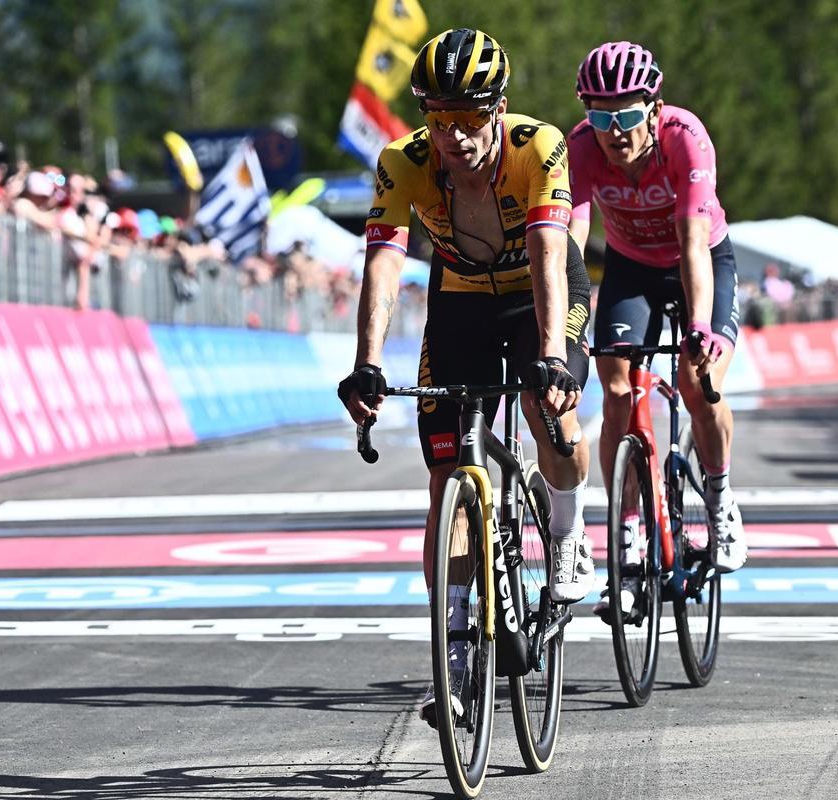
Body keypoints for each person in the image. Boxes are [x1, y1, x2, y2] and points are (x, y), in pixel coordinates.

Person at [337, 28, 596, 724]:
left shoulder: (537, 146)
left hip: (538, 291)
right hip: (460, 298)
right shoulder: (405, 159)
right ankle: (452, 658)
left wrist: (549, 357)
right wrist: (366, 362)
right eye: (438, 117)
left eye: (469, 118)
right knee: (446, 478)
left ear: (499, 108)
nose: (453, 135)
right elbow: (384, 262)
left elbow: (549, 254)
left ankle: (570, 536)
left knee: (553, 417)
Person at [566, 41, 747, 618]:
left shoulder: (684, 138)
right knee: (616, 389)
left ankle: (719, 500)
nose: (613, 130)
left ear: (654, 106)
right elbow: (569, 238)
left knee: (698, 384)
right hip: (631, 269)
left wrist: (699, 326)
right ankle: (623, 538)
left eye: (625, 114)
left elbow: (694, 244)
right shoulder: (580, 150)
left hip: (700, 258)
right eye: (599, 115)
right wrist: (564, 315)